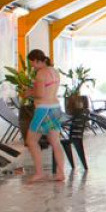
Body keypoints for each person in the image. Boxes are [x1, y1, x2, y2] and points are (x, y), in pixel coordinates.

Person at [25, 49, 67, 182]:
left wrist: (29, 93)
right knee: (55, 142)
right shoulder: (54, 71)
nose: (32, 66)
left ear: (37, 61)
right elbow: (48, 90)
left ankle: (39, 172)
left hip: (43, 110)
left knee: (31, 141)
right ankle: (61, 173)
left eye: (32, 63)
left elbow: (40, 94)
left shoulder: (41, 74)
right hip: (55, 108)